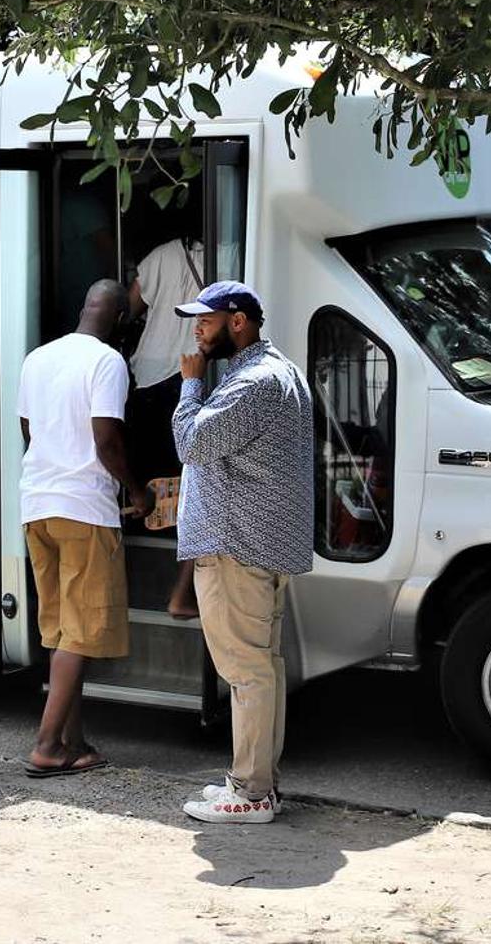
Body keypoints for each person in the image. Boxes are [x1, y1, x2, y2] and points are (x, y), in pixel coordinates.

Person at [168, 281, 316, 825]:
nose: (197, 330)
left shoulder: (252, 382)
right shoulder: (280, 372)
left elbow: (193, 444)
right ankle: (257, 784)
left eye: (205, 320)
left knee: (247, 673)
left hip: (235, 547)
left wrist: (189, 386)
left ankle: (251, 793)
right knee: (262, 669)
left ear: (238, 321)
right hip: (262, 546)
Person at [18, 280, 155, 777]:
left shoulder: (38, 358)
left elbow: (28, 430)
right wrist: (137, 491)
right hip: (84, 509)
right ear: (121, 318)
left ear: (84, 308)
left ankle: (73, 742)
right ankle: (47, 745)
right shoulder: (108, 362)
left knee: (60, 630)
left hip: (37, 504)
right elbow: (107, 438)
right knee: (81, 631)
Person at [128, 236, 207, 620]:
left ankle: (149, 555)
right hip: (191, 370)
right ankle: (179, 579)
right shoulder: (235, 247)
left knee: (154, 474)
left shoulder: (160, 253)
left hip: (150, 374)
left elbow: (130, 304)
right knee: (188, 477)